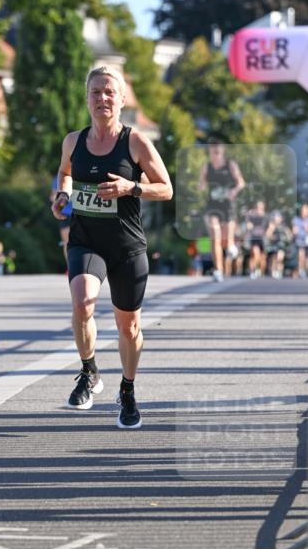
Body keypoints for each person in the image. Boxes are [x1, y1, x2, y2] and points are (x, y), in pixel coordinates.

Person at [52, 65, 172, 429]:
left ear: (121, 99)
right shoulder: (73, 141)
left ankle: (127, 389)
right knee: (81, 304)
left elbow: (166, 189)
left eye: (109, 92)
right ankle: (89, 371)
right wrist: (61, 196)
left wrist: (131, 188)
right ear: (87, 98)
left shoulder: (135, 142)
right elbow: (64, 173)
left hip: (126, 246)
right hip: (85, 240)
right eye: (95, 92)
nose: (102, 98)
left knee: (129, 327)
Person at [198, 141, 244, 282]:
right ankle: (218, 270)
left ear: (222, 152)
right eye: (212, 153)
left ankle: (231, 245)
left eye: (217, 153)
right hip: (212, 205)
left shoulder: (231, 165)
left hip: (227, 205)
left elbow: (241, 183)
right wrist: (200, 186)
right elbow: (201, 184)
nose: (214, 156)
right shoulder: (207, 167)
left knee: (227, 241)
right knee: (215, 237)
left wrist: (233, 192)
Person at [50, 173, 72, 263]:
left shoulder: (81, 173)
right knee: (67, 242)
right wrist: (57, 199)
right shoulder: (58, 178)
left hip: (81, 213)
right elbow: (53, 196)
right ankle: (70, 267)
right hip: (65, 214)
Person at [245, 199, 269, 279]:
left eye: (261, 206)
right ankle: (252, 271)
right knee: (255, 255)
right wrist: (249, 225)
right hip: (254, 238)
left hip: (263, 239)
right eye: (258, 206)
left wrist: (268, 234)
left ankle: (260, 271)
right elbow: (248, 224)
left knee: (262, 258)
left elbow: (269, 227)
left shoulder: (266, 216)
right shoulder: (252, 216)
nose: (259, 208)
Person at [292, 202, 308, 278]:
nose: (304, 212)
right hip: (300, 241)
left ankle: (307, 271)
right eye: (303, 210)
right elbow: (294, 231)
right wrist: (294, 232)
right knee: (301, 254)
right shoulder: (296, 219)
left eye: (306, 210)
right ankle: (301, 271)